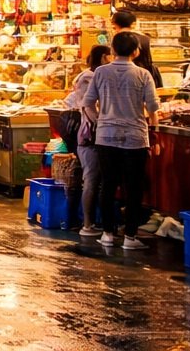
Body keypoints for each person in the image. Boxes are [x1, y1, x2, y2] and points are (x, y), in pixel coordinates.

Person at [83, 31, 161, 250]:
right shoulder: (143, 74)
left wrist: (101, 120)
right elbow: (153, 107)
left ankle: (107, 233)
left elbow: (87, 103)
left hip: (106, 137)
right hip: (135, 137)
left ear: (113, 50)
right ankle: (130, 237)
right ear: (136, 51)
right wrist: (154, 129)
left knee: (107, 185)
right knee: (133, 187)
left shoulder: (100, 72)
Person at [64, 44, 113, 239]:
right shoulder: (88, 78)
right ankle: (87, 223)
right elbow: (88, 106)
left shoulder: (96, 75)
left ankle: (98, 222)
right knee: (91, 179)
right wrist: (101, 123)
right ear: (103, 58)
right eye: (109, 57)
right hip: (90, 135)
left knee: (98, 180)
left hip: (98, 134)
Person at [110, 10, 162, 86]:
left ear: (115, 24)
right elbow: (149, 59)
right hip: (145, 75)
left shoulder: (117, 39)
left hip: (124, 77)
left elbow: (114, 58)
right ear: (132, 23)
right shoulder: (145, 38)